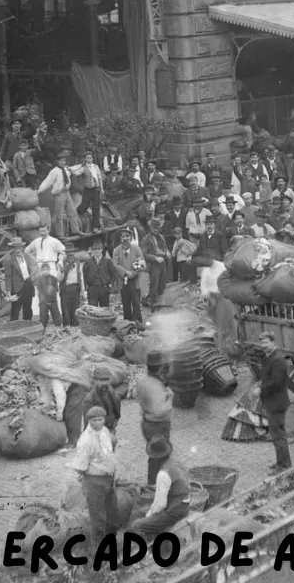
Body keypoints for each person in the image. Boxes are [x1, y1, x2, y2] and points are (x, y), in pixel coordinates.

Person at [66, 406, 119, 549]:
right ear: (89, 421)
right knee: (98, 518)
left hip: (109, 479)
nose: (98, 423)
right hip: (94, 481)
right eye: (94, 420)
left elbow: (110, 448)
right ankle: (99, 549)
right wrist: (88, 478)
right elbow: (79, 466)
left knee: (113, 512)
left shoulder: (105, 432)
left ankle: (111, 543)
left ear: (104, 419)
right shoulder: (85, 440)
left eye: (100, 419)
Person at [130, 437, 191, 538]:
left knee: (136, 525)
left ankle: (149, 547)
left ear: (154, 457)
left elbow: (160, 505)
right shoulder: (176, 463)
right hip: (184, 503)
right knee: (140, 512)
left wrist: (148, 515)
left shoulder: (163, 474)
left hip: (174, 511)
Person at [136, 352, 174, 483]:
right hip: (158, 425)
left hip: (146, 423)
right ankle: (155, 486)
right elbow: (161, 411)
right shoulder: (155, 386)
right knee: (161, 457)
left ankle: (152, 485)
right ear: (159, 367)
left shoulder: (142, 381)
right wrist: (170, 398)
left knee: (154, 456)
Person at [258, 331, 291, 472]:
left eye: (266, 342)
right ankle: (281, 462)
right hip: (273, 402)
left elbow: (277, 383)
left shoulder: (278, 360)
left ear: (273, 342)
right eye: (261, 342)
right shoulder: (270, 357)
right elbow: (269, 377)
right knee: (277, 434)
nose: (263, 345)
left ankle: (284, 466)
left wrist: (261, 389)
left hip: (277, 403)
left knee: (278, 436)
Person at [37, 150, 78, 237]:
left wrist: (83, 165)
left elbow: (76, 168)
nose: (62, 162)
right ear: (57, 161)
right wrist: (40, 190)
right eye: (61, 161)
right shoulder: (54, 171)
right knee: (59, 215)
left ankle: (76, 231)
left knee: (72, 212)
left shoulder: (67, 169)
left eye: (64, 161)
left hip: (67, 193)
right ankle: (60, 234)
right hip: (59, 194)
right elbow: (47, 181)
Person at [112, 229, 145, 322]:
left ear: (130, 238)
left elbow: (143, 263)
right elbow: (115, 264)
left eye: (127, 236)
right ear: (120, 238)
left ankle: (137, 322)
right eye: (123, 236)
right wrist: (126, 272)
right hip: (123, 281)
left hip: (135, 280)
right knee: (126, 303)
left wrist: (135, 272)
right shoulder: (116, 250)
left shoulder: (136, 248)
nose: (125, 238)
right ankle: (127, 324)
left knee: (136, 302)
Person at [2, 237, 36, 321]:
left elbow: (30, 269)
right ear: (12, 248)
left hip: (27, 284)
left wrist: (32, 281)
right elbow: (8, 276)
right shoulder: (9, 260)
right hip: (17, 287)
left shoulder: (26, 256)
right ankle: (14, 327)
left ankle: (28, 324)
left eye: (19, 247)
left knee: (28, 307)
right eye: (15, 247)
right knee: (15, 309)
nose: (17, 249)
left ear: (22, 247)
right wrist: (8, 290)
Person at [71, 151, 104, 233]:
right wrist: (71, 171)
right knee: (83, 206)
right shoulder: (83, 168)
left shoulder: (96, 167)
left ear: (92, 159)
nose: (89, 159)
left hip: (96, 189)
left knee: (96, 208)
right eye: (87, 158)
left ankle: (95, 226)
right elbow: (76, 173)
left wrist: (102, 189)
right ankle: (79, 214)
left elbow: (99, 178)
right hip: (87, 189)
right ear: (85, 159)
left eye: (90, 158)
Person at [82, 367, 121, 435]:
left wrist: (114, 422)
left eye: (107, 380)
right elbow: (89, 425)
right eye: (101, 380)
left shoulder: (111, 391)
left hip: (111, 427)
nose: (104, 383)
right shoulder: (89, 400)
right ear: (94, 380)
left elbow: (117, 408)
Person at [140, 219, 170, 309]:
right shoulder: (146, 239)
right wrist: (155, 258)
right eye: (154, 228)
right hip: (154, 265)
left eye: (157, 228)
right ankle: (153, 307)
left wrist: (167, 252)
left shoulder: (161, 237)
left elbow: (165, 248)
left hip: (163, 263)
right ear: (150, 228)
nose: (155, 230)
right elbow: (144, 254)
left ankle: (159, 305)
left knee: (162, 285)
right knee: (154, 286)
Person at [35, 262, 63, 330]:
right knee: (43, 317)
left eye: (47, 269)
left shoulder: (53, 278)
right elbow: (40, 291)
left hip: (52, 299)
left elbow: (56, 289)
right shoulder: (39, 279)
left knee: (57, 316)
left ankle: (58, 327)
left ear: (49, 270)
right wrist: (45, 300)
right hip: (43, 300)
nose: (46, 271)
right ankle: (43, 328)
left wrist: (52, 299)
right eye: (44, 269)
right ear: (41, 270)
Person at [60, 252, 85, 328]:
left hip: (75, 287)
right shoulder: (62, 264)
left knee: (75, 307)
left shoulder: (78, 264)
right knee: (65, 308)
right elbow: (59, 278)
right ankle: (67, 325)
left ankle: (75, 325)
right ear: (66, 255)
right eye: (69, 254)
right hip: (65, 288)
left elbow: (81, 277)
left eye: (72, 254)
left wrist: (82, 290)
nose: (70, 256)